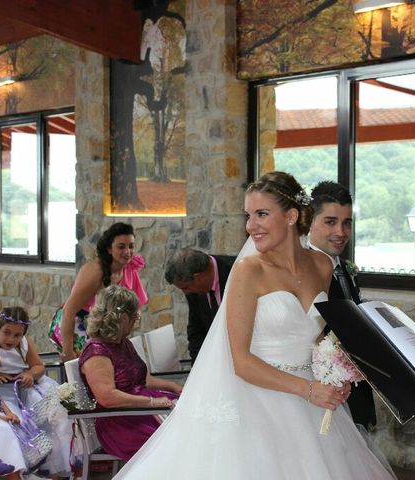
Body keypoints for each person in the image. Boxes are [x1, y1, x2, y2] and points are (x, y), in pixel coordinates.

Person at [114, 171, 394, 479]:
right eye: (248, 216)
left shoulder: (323, 265)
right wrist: (309, 389)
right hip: (258, 403)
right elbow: (242, 362)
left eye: (261, 214)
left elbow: (319, 339)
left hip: (314, 405)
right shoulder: (249, 271)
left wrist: (336, 372)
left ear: (291, 215)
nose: (251, 226)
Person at [79, 285, 181, 461]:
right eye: (135, 316)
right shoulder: (97, 352)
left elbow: (141, 378)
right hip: (120, 422)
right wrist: (151, 402)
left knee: (192, 420)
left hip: (139, 410)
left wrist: (174, 387)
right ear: (122, 318)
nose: (136, 320)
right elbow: (107, 397)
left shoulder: (122, 342)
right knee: (175, 441)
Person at [308, 180, 376, 429]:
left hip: (354, 393)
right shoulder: (300, 272)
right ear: (309, 221)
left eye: (347, 222)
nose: (341, 231)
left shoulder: (343, 268)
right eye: (330, 222)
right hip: (321, 396)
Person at [48, 222, 148, 361]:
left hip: (103, 327)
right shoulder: (95, 272)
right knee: (96, 367)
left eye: (131, 246)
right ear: (109, 249)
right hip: (75, 325)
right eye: (121, 247)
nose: (127, 252)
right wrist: (68, 352)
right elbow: (68, 311)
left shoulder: (129, 268)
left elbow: (136, 305)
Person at [0, 307, 72, 479]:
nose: (11, 339)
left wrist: (30, 374)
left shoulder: (24, 344)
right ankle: (21, 470)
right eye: (6, 332)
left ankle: (56, 470)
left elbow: (39, 366)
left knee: (54, 418)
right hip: (3, 393)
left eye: (17, 335)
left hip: (25, 388)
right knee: (20, 425)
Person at [165, 248, 236, 363]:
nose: (186, 292)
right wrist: (199, 368)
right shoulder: (193, 288)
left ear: (197, 277)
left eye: (185, 287)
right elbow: (196, 332)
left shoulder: (237, 271)